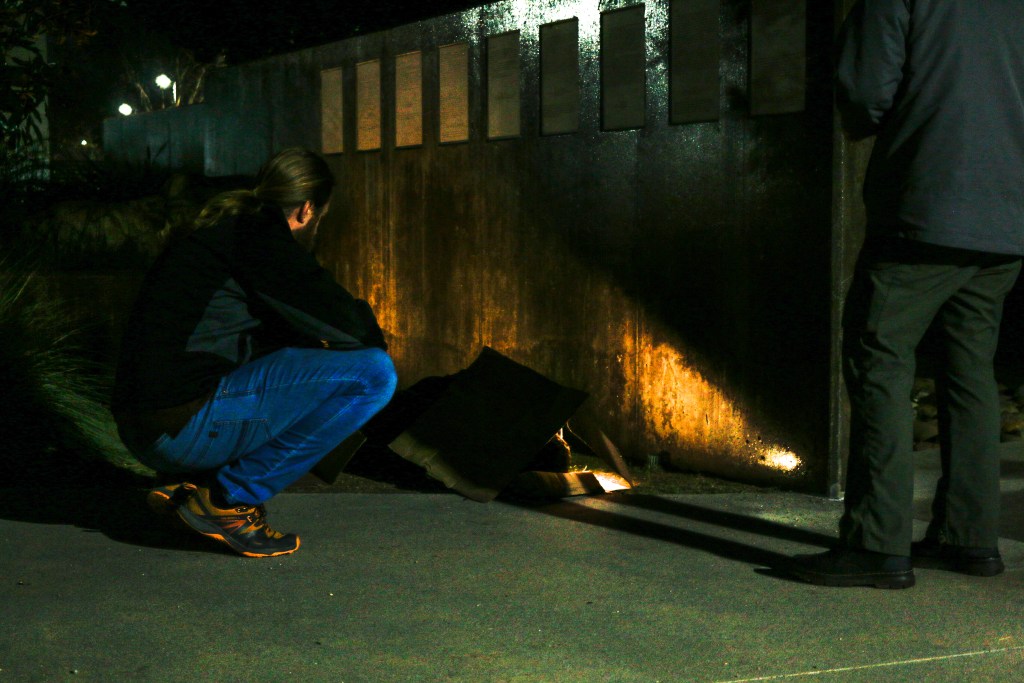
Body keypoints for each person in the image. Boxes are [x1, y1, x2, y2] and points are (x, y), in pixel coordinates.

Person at [791, 0, 1024, 587]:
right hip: (1008, 214)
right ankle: (969, 538)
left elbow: (866, 88)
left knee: (879, 356)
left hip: (928, 204)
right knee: (971, 369)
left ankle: (876, 544)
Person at [112, 148, 397, 558]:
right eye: (319, 219)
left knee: (293, 357)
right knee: (373, 374)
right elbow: (350, 329)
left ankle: (196, 484)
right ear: (306, 210)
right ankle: (227, 503)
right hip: (176, 431)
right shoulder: (264, 241)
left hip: (145, 425)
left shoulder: (222, 231)